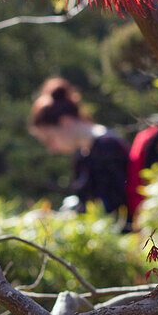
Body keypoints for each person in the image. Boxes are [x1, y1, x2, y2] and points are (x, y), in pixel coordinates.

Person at [28, 78, 130, 220]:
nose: (52, 149)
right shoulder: (83, 154)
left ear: (65, 122)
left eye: (49, 139)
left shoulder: (107, 146)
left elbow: (112, 209)